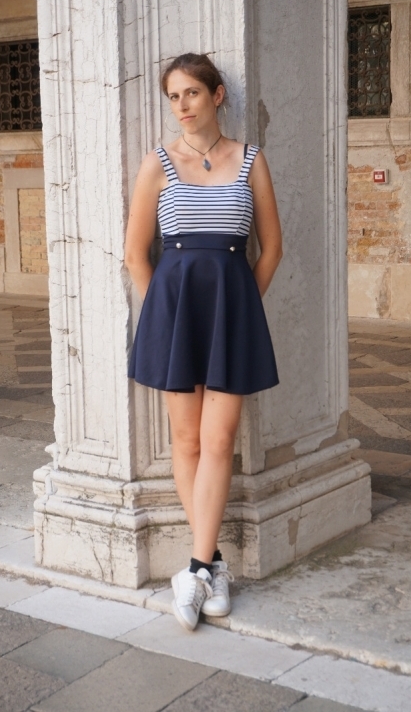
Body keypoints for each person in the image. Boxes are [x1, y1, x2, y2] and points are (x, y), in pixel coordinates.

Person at [124, 53, 282, 632]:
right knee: (186, 441)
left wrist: (238, 311)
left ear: (217, 95)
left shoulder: (251, 160)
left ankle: (194, 570)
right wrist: (164, 318)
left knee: (220, 439)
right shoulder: (158, 163)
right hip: (175, 316)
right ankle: (210, 566)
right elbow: (136, 254)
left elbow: (271, 248)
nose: (182, 106)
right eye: (173, 96)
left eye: (191, 93)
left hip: (229, 315)